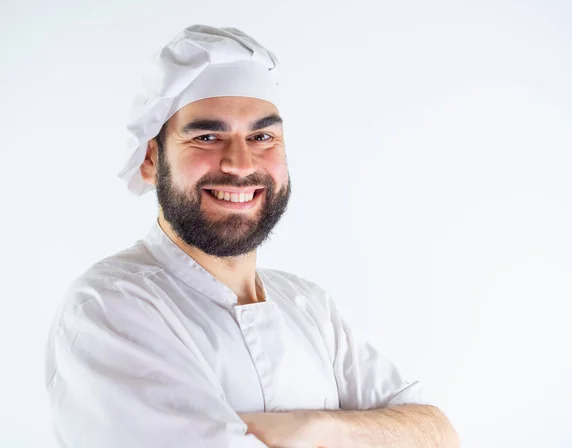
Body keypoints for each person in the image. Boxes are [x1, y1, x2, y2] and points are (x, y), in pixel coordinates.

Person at [44, 24, 459, 448]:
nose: (240, 164)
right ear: (151, 159)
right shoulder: (108, 308)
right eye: (207, 136)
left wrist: (319, 428)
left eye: (261, 137)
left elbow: (439, 433)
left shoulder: (309, 307)